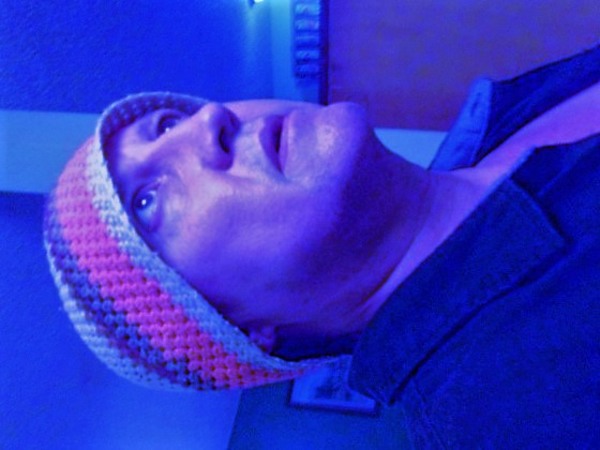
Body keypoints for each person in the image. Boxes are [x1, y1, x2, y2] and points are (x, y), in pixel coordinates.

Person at [44, 43, 600, 447]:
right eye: (147, 202)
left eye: (166, 124)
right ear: (238, 330)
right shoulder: (508, 410)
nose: (208, 121)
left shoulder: (503, 118)